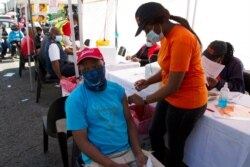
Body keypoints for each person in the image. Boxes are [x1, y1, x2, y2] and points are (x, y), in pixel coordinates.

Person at [128, 2, 208, 167]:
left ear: (157, 22)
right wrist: (148, 81)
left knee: (175, 144)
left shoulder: (182, 39)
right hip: (171, 95)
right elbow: (167, 69)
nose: (146, 33)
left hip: (188, 102)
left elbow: (173, 85)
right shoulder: (166, 35)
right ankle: (158, 163)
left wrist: (144, 101)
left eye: (146, 28)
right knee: (155, 131)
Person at [65, 47, 148, 167]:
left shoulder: (117, 90)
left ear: (103, 64)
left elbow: (129, 121)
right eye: (86, 69)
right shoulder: (75, 100)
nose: (92, 72)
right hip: (98, 158)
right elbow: (81, 141)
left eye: (95, 66)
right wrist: (111, 165)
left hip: (127, 150)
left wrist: (138, 152)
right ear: (81, 72)